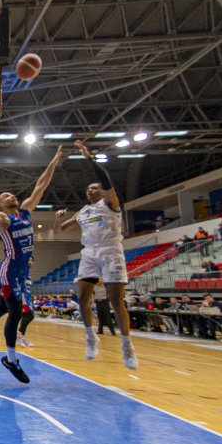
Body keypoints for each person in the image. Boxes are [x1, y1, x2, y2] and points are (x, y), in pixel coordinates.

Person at [0, 147, 65, 383]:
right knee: (16, 312)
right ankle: (11, 359)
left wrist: (55, 160)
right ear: (1, 204)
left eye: (11, 194)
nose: (10, 195)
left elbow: (41, 185)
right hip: (8, 272)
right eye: (5, 196)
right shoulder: (4, 218)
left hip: (22, 271)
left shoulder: (25, 212)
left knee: (2, 309)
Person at [55, 140, 137, 369]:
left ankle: (127, 346)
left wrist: (88, 157)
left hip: (111, 250)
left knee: (116, 301)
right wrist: (59, 219)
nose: (91, 190)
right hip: (89, 252)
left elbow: (105, 179)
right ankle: (91, 338)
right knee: (82, 297)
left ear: (102, 190)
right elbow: (62, 229)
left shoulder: (110, 203)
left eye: (94, 187)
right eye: (88, 189)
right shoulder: (83, 211)